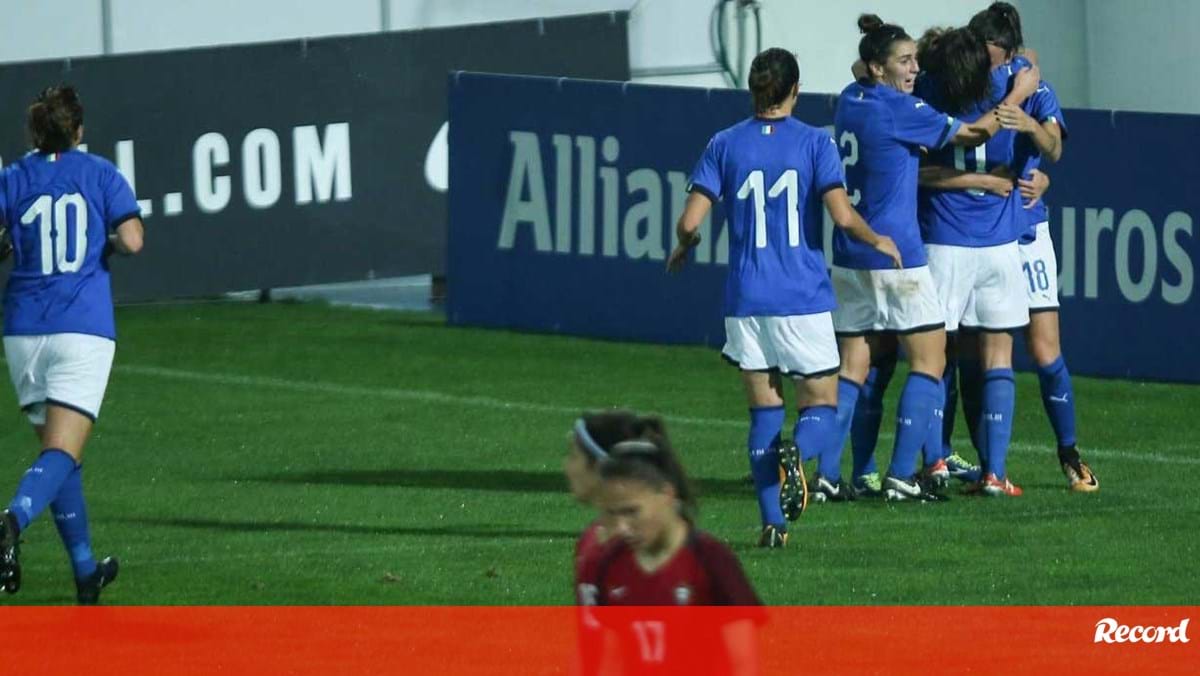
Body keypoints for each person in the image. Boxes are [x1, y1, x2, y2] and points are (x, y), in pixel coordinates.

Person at [667, 47, 901, 546]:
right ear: (795, 90)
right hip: (802, 296)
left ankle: (772, 524)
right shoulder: (815, 142)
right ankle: (798, 451)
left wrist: (682, 247)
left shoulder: (723, 144)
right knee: (821, 402)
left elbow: (690, 222)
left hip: (747, 299)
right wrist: (877, 239)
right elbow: (841, 216)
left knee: (763, 412)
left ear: (754, 91)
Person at [830, 14, 1037, 502]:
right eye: (904, 61)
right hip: (897, 254)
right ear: (878, 68)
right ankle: (906, 473)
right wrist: (1017, 94)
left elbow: (861, 68)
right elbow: (974, 134)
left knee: (856, 367)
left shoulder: (848, 99)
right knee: (929, 359)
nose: (914, 70)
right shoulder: (900, 110)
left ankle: (832, 473)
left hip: (849, 257)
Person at [0, 85, 144, 603]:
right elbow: (132, 240)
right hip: (80, 326)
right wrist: (99, 243)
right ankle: (11, 521)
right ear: (78, 131)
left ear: (36, 130)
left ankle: (85, 572)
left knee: (60, 456)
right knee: (62, 451)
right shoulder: (100, 172)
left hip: (21, 330)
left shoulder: (12, 177)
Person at [915, 25, 1038, 496]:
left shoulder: (930, 90)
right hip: (999, 244)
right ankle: (995, 472)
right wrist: (1024, 82)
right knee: (998, 356)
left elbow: (918, 173)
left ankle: (935, 460)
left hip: (945, 242)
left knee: (933, 354)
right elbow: (1030, 59)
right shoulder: (1007, 85)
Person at [985, 2, 1099, 493]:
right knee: (986, 349)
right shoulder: (972, 80)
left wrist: (1027, 123)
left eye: (988, 45)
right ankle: (987, 467)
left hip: (1029, 232)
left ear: (1006, 48)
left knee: (1044, 347)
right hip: (984, 233)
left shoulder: (1037, 89)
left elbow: (1054, 147)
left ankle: (1069, 453)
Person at [577, 425, 763, 674]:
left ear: (666, 495)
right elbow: (608, 658)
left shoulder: (711, 561)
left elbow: (743, 661)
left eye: (632, 511)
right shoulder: (609, 563)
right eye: (613, 513)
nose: (622, 527)